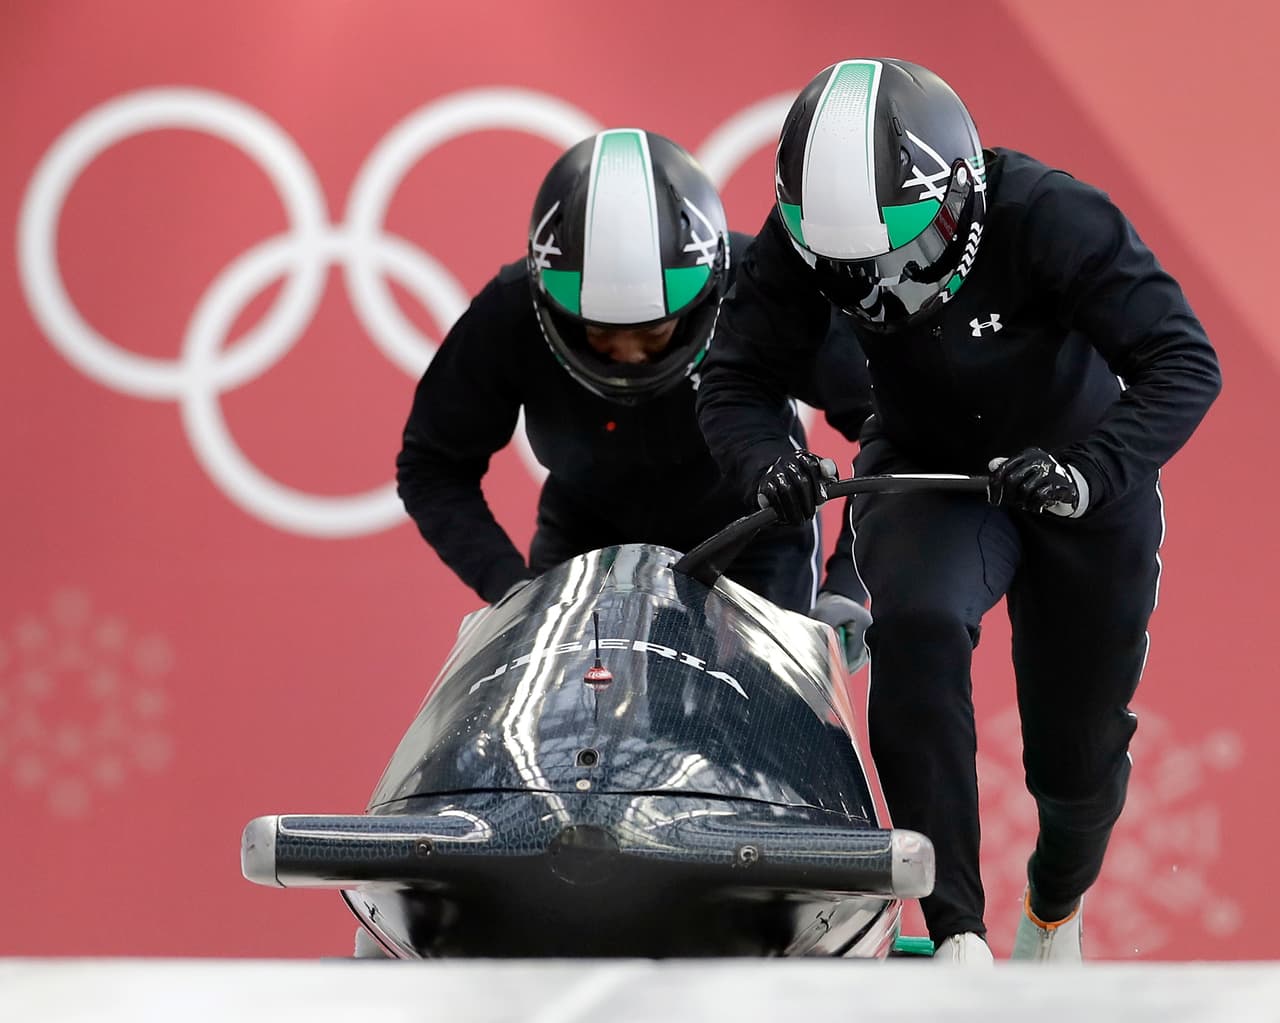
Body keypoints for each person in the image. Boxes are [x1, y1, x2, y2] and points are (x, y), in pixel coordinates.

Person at [694, 59, 1221, 963]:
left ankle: (1053, 907)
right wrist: (769, 465)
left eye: (912, 250)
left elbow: (1183, 362)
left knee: (1077, 754)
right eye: (853, 274)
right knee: (920, 623)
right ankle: (955, 932)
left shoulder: (1051, 216)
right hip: (929, 469)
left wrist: (1088, 472)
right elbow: (734, 380)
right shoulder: (792, 246)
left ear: (964, 193)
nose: (888, 289)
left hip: (1078, 475)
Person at [395, 128, 872, 652]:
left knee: (751, 699)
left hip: (751, 536)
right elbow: (432, 465)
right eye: (599, 334)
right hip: (586, 538)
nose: (628, 355)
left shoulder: (761, 289)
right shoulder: (511, 311)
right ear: (550, 303)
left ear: (704, 297)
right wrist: (511, 589)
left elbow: (890, 429)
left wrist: (847, 585)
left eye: (654, 332)